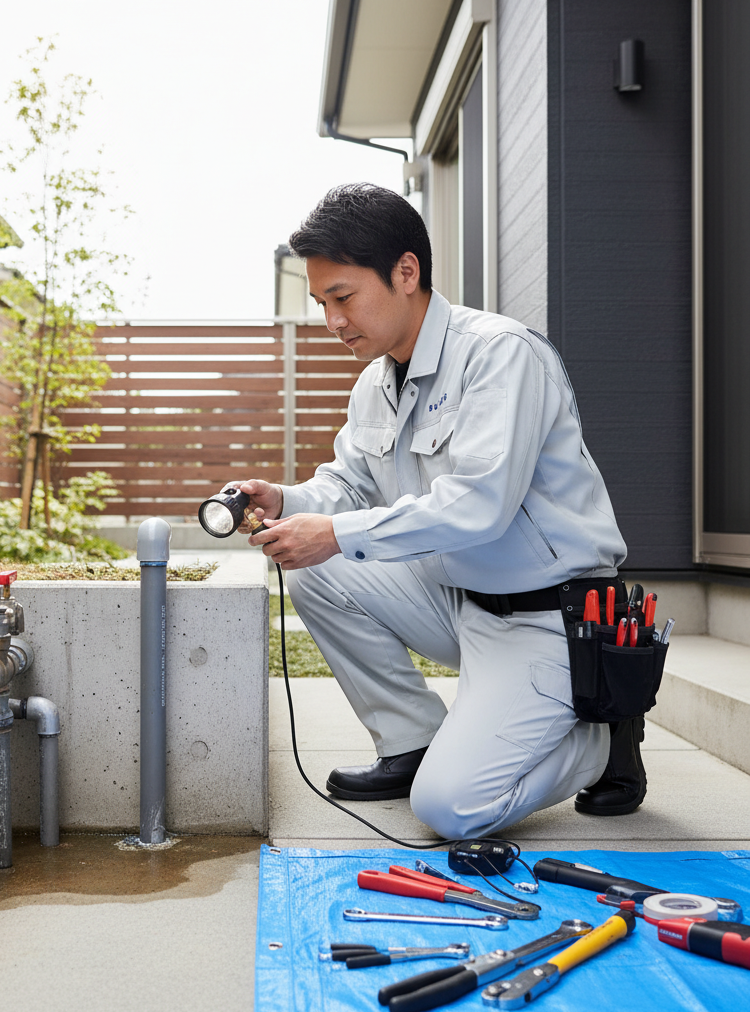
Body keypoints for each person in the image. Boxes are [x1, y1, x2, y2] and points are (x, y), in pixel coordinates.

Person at [233, 183, 643, 841]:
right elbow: (349, 484)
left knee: (453, 811)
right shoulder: (376, 382)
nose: (333, 321)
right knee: (317, 571)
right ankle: (413, 742)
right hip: (461, 597)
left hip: (549, 618)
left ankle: (598, 739)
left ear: (405, 272)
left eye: (343, 298)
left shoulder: (500, 355)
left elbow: (480, 507)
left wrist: (334, 531)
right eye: (321, 304)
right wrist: (291, 504)